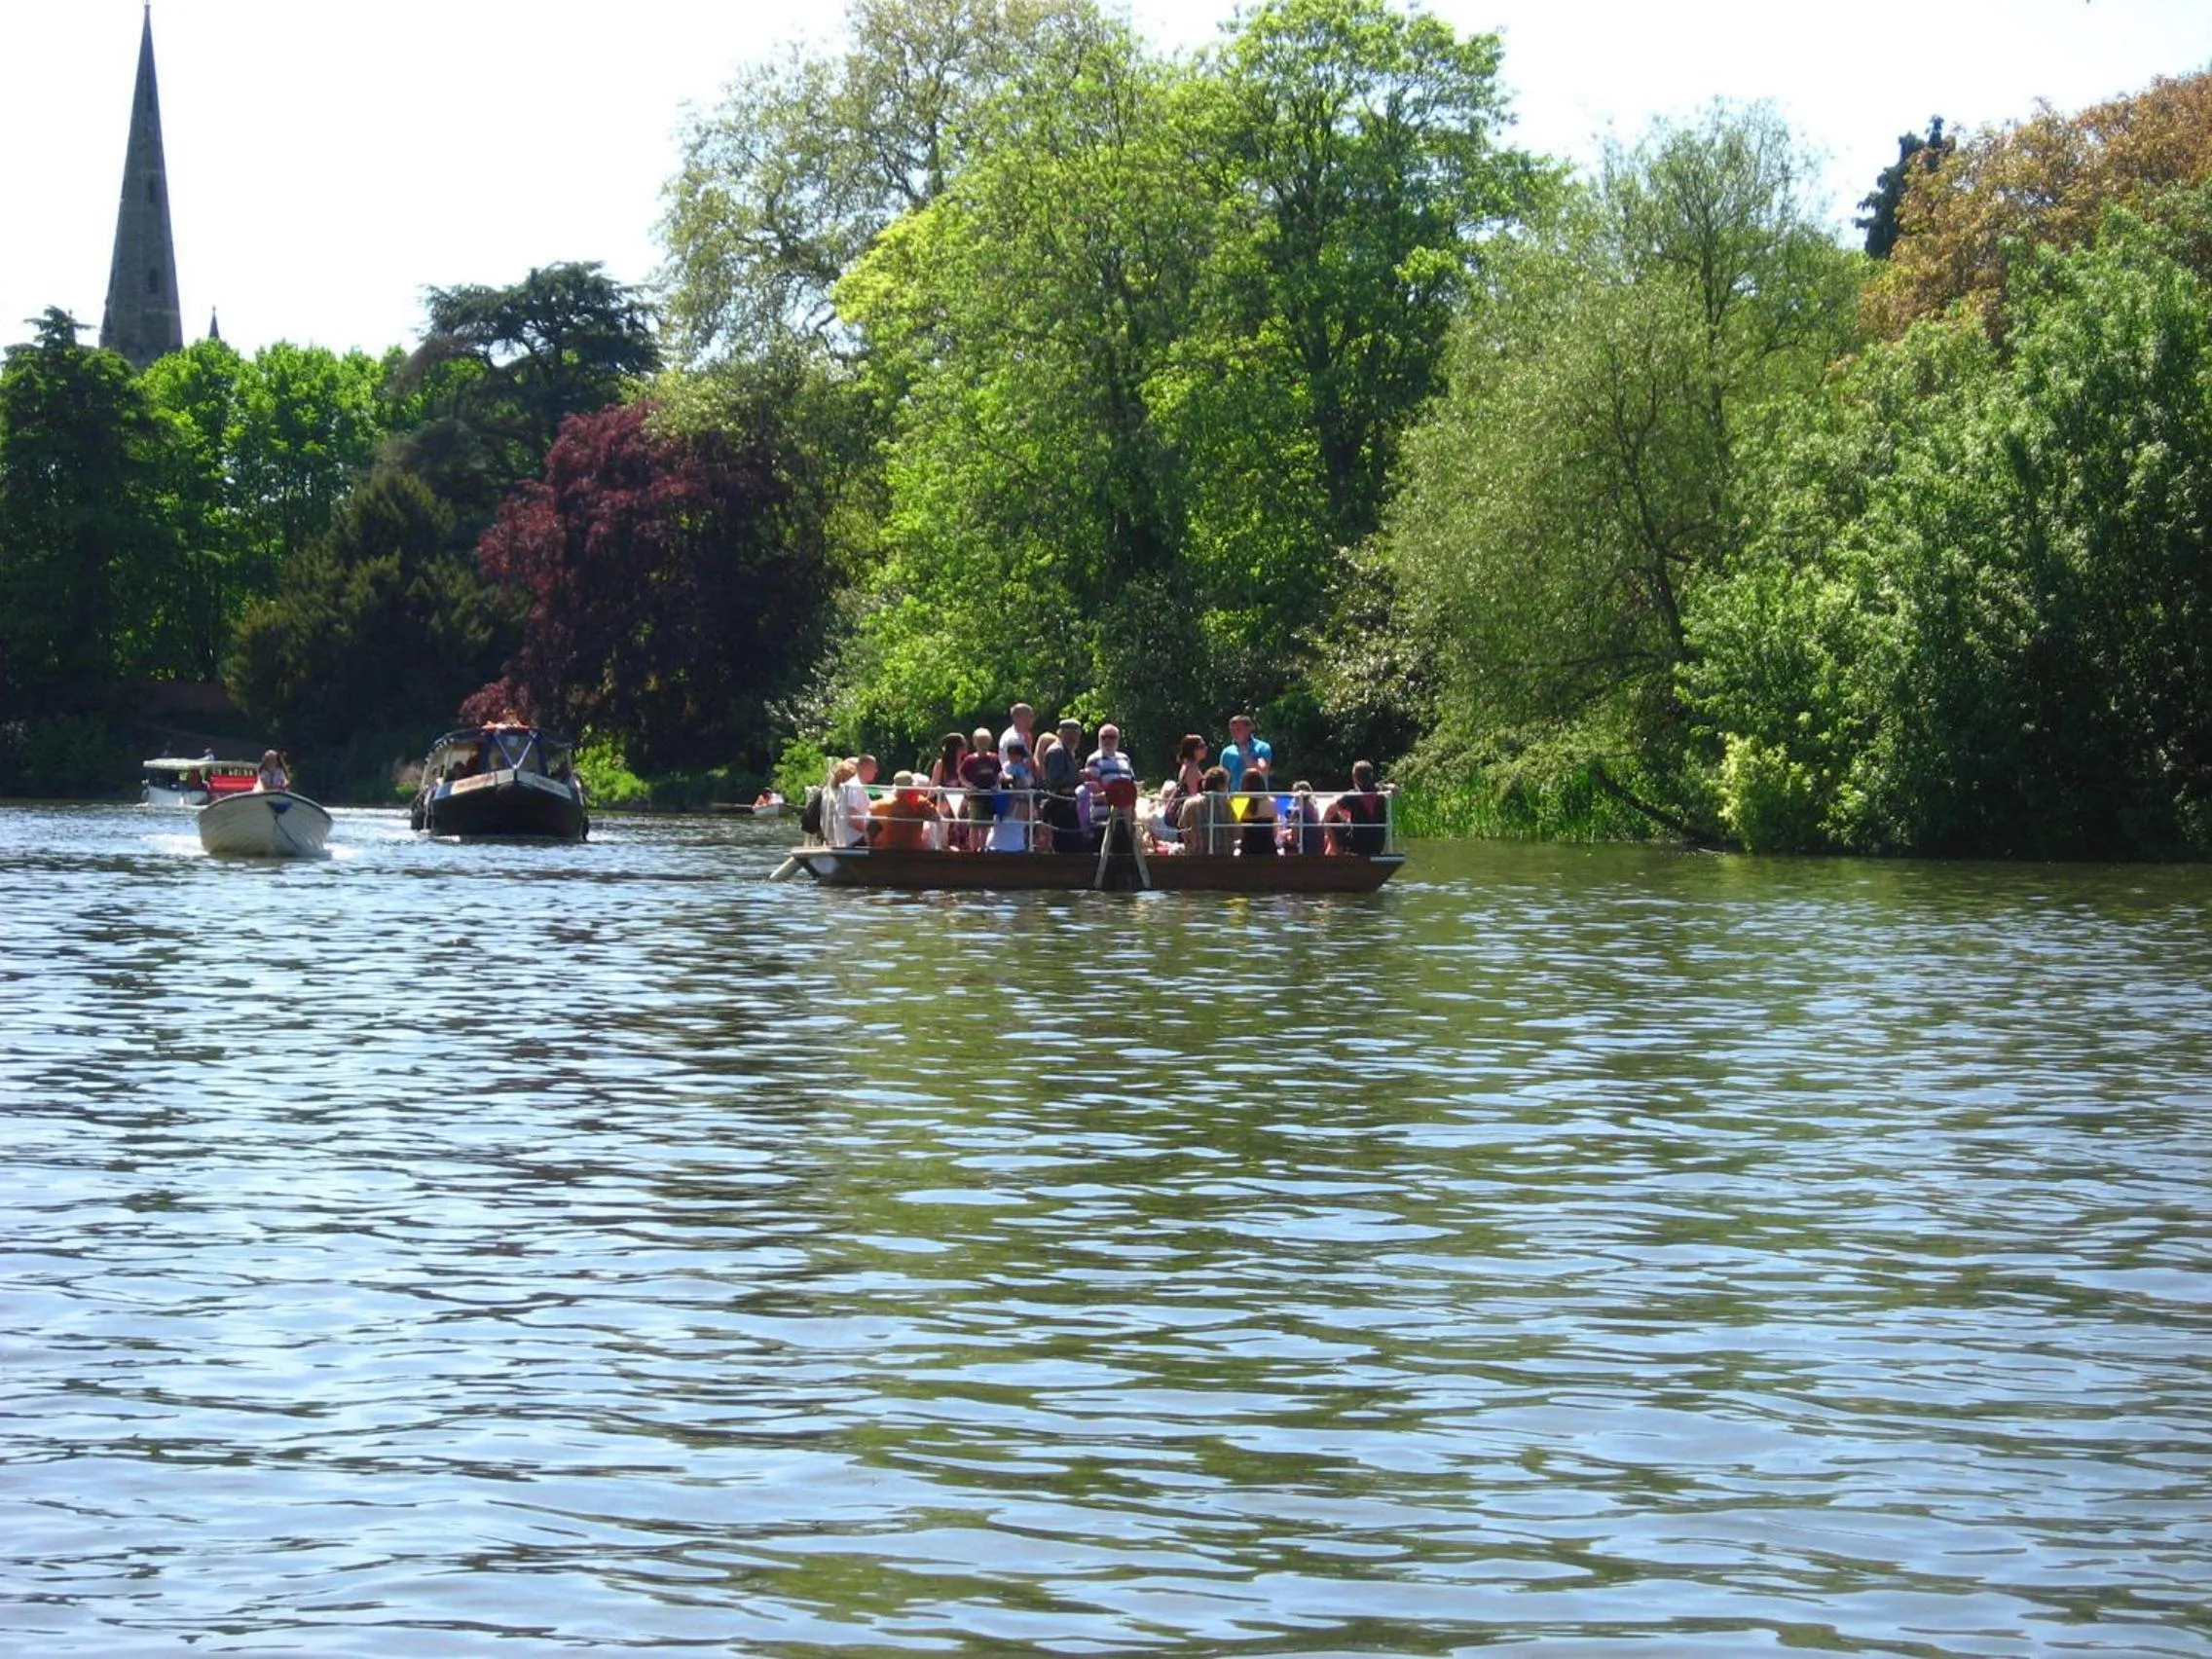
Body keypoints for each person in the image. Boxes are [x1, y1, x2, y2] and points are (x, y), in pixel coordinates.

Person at [1324, 759, 1388, 857]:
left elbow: (1329, 811)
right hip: (1378, 845)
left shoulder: (1352, 795)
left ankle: (1336, 853)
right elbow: (1395, 789)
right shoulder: (1381, 793)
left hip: (1358, 845)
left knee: (1331, 819)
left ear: (1354, 777)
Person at [1041, 719, 1086, 854]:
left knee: (1073, 841)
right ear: (1060, 734)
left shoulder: (1067, 751)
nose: (1073, 738)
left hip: (1068, 803)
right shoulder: (1057, 751)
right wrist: (1079, 777)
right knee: (1066, 843)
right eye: (1069, 734)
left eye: (1075, 734)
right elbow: (1054, 780)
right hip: (1060, 804)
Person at [867, 771, 940, 851]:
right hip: (914, 851)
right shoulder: (921, 802)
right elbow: (937, 817)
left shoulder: (880, 805)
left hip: (887, 851)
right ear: (912, 787)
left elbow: (870, 828)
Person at [956, 727, 1002, 849]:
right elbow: (960, 775)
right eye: (980, 742)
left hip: (989, 797)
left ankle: (983, 848)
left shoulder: (994, 758)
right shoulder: (970, 760)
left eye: (985, 742)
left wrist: (996, 785)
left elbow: (998, 774)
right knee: (974, 824)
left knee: (986, 825)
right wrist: (969, 786)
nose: (983, 745)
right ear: (975, 743)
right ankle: (974, 850)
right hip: (975, 797)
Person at [1176, 765, 1235, 856]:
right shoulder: (1229, 805)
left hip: (1197, 855)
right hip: (1224, 855)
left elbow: (1183, 829)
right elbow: (1237, 833)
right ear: (1221, 786)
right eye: (1227, 785)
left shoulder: (1190, 803)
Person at [930, 731, 970, 849]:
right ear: (957, 747)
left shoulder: (967, 763)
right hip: (945, 804)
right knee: (945, 813)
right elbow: (933, 788)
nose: (967, 746)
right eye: (964, 744)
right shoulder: (941, 764)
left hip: (963, 805)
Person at [1220, 714, 1272, 793]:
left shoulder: (1262, 747)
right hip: (1236, 797)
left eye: (1238, 729)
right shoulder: (1227, 752)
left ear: (1249, 729)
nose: (1234, 733)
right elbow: (1222, 780)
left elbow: (1262, 771)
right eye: (1232, 730)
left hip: (1258, 797)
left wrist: (1244, 753)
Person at [837, 754, 877, 847]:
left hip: (857, 837)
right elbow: (853, 819)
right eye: (874, 767)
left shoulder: (857, 785)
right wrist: (870, 836)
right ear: (864, 768)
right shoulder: (855, 787)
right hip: (855, 839)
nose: (876, 771)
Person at [1235, 770, 1278, 857]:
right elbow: (1274, 834)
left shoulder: (1238, 804)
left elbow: (1239, 834)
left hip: (1247, 852)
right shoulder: (1272, 803)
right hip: (1269, 852)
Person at [1281, 780, 1324, 855]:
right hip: (1317, 848)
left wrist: (1284, 837)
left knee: (1285, 844)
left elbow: (1293, 840)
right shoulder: (1314, 808)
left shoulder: (1297, 812)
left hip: (1304, 850)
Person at [1171, 733, 1208, 801]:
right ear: (1192, 749)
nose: (1206, 748)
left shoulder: (1189, 766)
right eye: (1202, 746)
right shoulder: (1191, 769)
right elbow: (1193, 797)